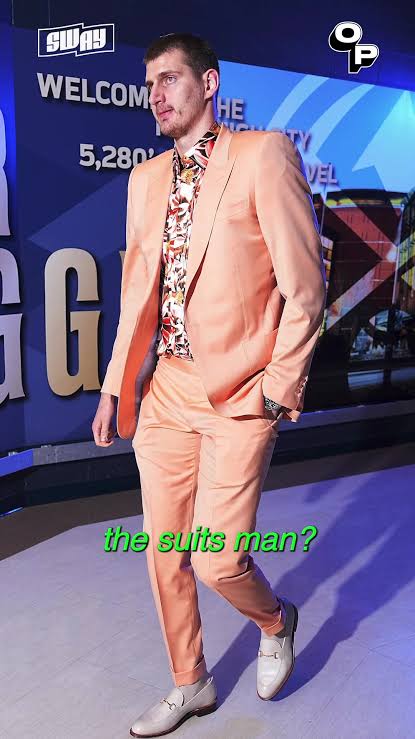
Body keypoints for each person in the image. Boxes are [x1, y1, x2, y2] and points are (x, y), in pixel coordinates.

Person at [92, 32, 327, 738]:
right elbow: (137, 293)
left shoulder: (263, 155)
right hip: (165, 388)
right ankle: (190, 680)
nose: (155, 95)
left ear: (209, 82)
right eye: (149, 85)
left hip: (240, 389)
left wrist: (277, 384)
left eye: (169, 79)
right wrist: (114, 386)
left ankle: (275, 620)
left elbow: (304, 286)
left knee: (218, 557)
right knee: (164, 552)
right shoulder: (143, 180)